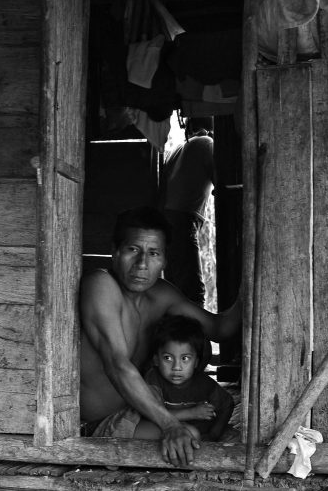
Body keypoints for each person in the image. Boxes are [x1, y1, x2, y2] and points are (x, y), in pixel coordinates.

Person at [80, 207, 241, 467]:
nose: (142, 264)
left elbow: (220, 329)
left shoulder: (161, 294)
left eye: (153, 253)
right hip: (103, 426)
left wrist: (249, 285)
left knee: (217, 431)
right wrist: (170, 424)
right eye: (133, 250)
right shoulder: (100, 285)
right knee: (194, 439)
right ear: (115, 251)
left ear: (164, 260)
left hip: (143, 415)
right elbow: (117, 364)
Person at [133, 315, 235, 442]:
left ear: (196, 362)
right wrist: (192, 413)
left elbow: (227, 404)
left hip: (199, 438)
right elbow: (151, 415)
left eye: (185, 358)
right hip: (164, 433)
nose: (176, 367)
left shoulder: (203, 383)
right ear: (156, 360)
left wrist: (214, 434)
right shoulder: (153, 380)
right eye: (167, 358)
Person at [161, 117, 215, 305]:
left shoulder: (178, 148)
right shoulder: (207, 143)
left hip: (166, 221)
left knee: (175, 287)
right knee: (193, 291)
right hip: (182, 220)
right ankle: (195, 333)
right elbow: (221, 181)